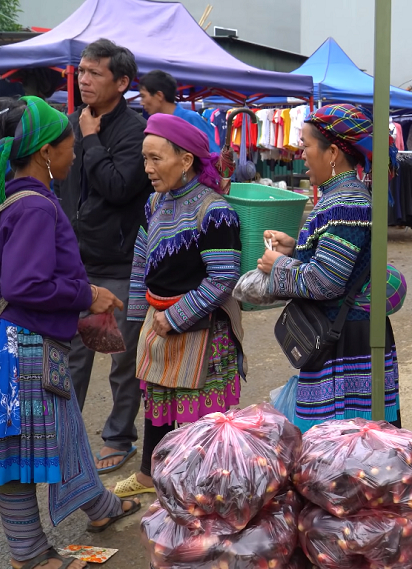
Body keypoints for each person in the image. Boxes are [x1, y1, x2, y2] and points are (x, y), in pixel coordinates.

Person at [0, 96, 141, 569]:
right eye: (69, 145)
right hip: (21, 349)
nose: (75, 154)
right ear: (45, 151)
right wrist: (87, 295)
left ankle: (101, 509)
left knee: (63, 435)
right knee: (19, 457)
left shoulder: (11, 196)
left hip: (18, 344)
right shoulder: (36, 207)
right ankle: (30, 554)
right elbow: (26, 284)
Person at [113, 113, 245, 497]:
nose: (148, 169)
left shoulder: (215, 210)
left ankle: (201, 488)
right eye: (144, 159)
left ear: (186, 160)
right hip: (159, 322)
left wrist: (175, 317)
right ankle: (149, 476)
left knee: (199, 420)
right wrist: (137, 322)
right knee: (156, 402)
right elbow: (141, 262)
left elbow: (223, 278)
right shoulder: (155, 203)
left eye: (157, 159)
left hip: (201, 328)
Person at [257, 103, 403, 432]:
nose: (302, 154)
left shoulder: (345, 203)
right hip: (346, 334)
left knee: (344, 450)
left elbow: (327, 283)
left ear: (333, 152)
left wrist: (277, 264)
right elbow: (342, 263)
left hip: (346, 342)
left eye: (306, 145)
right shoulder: (339, 198)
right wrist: (296, 248)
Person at [57, 39, 153, 474]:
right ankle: (65, 434)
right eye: (81, 72)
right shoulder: (74, 122)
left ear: (122, 82)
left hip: (121, 263)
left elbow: (118, 187)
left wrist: (92, 141)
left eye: (94, 73)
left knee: (122, 356)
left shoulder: (137, 130)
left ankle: (119, 436)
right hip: (78, 260)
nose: (85, 80)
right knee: (73, 352)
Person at [138, 70, 220, 153]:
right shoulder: (154, 125)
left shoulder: (190, 119)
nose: (141, 102)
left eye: (143, 96)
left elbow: (214, 155)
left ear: (159, 95)